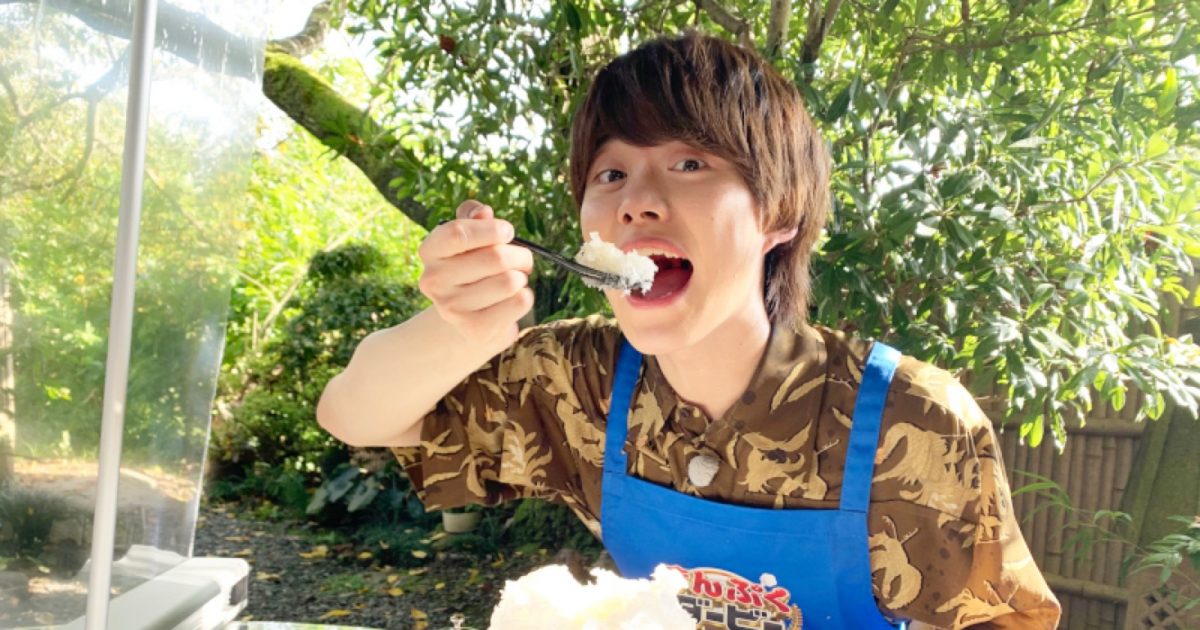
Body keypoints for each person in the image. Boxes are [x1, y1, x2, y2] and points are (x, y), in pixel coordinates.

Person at [317, 31, 1062, 629]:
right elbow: (355, 416)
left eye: (689, 163)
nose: (635, 201)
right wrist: (460, 327)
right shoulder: (576, 380)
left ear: (778, 214)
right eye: (610, 174)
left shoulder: (916, 419)